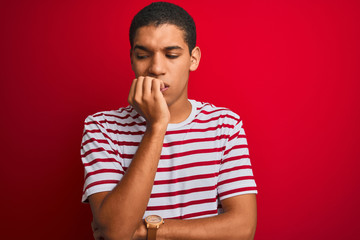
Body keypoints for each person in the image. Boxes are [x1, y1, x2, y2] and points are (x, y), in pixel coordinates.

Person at [81, 2, 257, 240]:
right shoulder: (101, 128)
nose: (155, 68)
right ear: (132, 59)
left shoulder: (225, 125)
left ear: (193, 59)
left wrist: (146, 231)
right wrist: (156, 127)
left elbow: (243, 228)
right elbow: (116, 233)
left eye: (171, 55)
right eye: (143, 55)